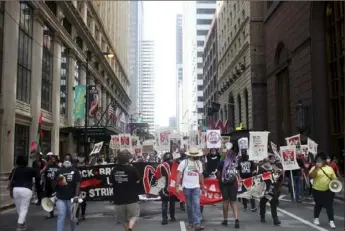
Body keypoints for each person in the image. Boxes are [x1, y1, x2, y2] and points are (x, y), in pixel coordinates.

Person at [110, 149, 141, 231]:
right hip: (131, 198)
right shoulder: (132, 169)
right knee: (134, 216)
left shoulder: (114, 170)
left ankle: (128, 230)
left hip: (118, 199)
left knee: (123, 220)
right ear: (128, 159)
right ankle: (130, 228)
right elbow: (138, 180)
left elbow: (111, 182)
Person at [175, 147, 205, 231]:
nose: (197, 157)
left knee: (196, 204)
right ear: (191, 155)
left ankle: (197, 223)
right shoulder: (184, 163)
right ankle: (191, 222)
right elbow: (178, 174)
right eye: (195, 155)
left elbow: (200, 175)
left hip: (196, 187)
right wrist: (177, 186)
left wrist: (203, 186)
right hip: (186, 187)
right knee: (188, 206)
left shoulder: (199, 163)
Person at [8, 156, 39, 231]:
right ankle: (19, 226)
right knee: (24, 209)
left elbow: (10, 180)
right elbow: (38, 174)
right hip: (26, 189)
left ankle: (23, 225)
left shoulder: (14, 170)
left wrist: (10, 191)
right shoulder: (30, 170)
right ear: (26, 162)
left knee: (19, 209)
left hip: (16, 189)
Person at [309, 152, 337, 229]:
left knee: (329, 206)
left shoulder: (329, 168)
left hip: (328, 190)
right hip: (317, 190)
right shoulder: (314, 168)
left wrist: (336, 186)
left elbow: (334, 179)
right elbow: (311, 176)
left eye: (320, 160)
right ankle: (316, 218)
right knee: (318, 205)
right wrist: (317, 168)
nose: (319, 161)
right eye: (317, 160)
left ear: (324, 161)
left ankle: (331, 221)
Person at [53, 154, 81, 231]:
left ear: (71, 161)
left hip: (71, 198)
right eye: (65, 159)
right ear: (63, 160)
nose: (67, 161)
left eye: (68, 159)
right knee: (61, 216)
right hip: (60, 198)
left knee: (71, 217)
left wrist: (76, 196)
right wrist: (57, 179)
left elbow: (78, 184)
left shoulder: (75, 171)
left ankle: (73, 229)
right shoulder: (59, 171)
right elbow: (54, 185)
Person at [216, 143, 240, 228]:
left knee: (225, 202)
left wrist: (220, 179)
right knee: (233, 202)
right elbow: (238, 173)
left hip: (224, 184)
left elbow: (218, 174)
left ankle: (225, 220)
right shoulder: (235, 162)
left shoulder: (222, 162)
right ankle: (236, 219)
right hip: (233, 184)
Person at [258, 157, 281, 225]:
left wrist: (277, 173)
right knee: (263, 203)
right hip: (264, 188)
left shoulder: (272, 168)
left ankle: (275, 219)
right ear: (264, 163)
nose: (268, 163)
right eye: (266, 162)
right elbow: (259, 179)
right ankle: (262, 216)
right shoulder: (261, 169)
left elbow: (276, 176)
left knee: (273, 203)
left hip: (271, 188)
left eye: (269, 162)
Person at [160, 152, 176, 225]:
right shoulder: (174, 164)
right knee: (170, 202)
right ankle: (171, 217)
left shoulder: (161, 165)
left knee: (165, 203)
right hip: (170, 185)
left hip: (165, 185)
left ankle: (165, 218)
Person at [43, 153, 60, 218]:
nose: (52, 160)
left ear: (56, 160)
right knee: (49, 199)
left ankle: (60, 211)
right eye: (51, 159)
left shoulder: (58, 167)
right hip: (48, 184)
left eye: (54, 159)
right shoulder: (47, 167)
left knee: (56, 199)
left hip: (55, 185)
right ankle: (51, 212)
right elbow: (44, 175)